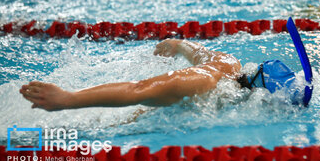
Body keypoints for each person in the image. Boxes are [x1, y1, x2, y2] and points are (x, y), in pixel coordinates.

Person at [20, 39, 245, 111]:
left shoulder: (230, 64)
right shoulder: (202, 81)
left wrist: (178, 44)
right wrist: (68, 99)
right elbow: (138, 89)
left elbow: (198, 52)